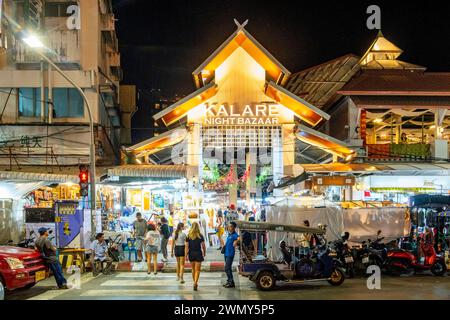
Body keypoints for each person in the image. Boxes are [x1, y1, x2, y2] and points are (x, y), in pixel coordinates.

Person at [185, 222, 206, 291]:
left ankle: (194, 282)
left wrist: (185, 255)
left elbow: (186, 247)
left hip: (191, 253)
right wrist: (204, 252)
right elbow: (203, 246)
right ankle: (195, 282)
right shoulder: (200, 235)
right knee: (198, 270)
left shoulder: (188, 236)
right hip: (198, 253)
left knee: (193, 269)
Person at [223, 221, 240, 288]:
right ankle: (229, 281)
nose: (228, 227)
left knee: (227, 268)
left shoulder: (235, 235)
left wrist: (236, 241)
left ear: (233, 227)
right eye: (228, 226)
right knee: (227, 268)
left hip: (230, 254)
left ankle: (231, 282)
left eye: (230, 226)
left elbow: (239, 238)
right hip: (226, 253)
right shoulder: (229, 234)